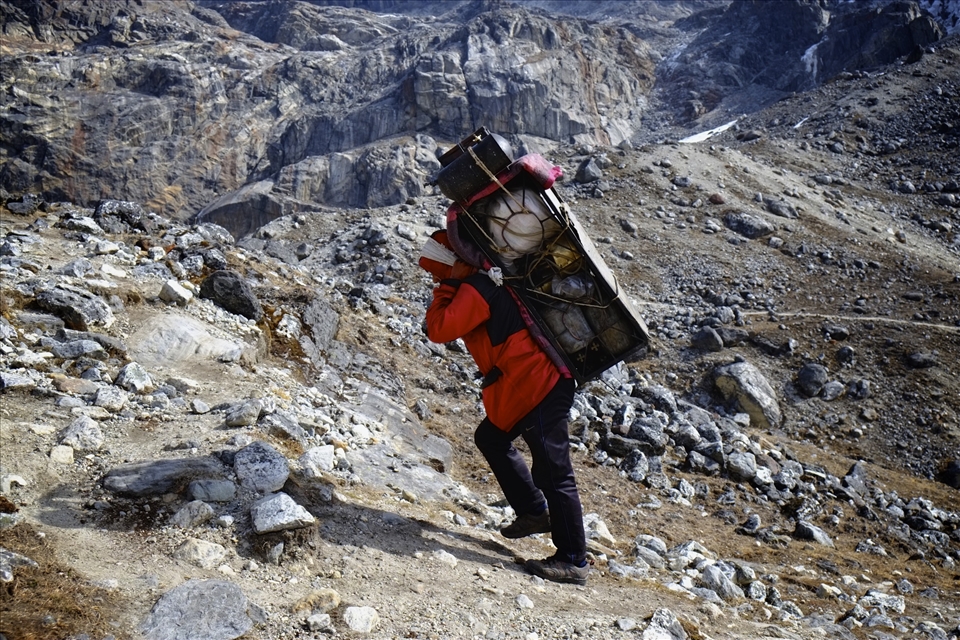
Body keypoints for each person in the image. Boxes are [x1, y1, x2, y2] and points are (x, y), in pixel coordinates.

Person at [419, 229, 589, 585]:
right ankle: (534, 511)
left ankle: (573, 559)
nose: (435, 278)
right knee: (491, 438)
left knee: (554, 472)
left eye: (437, 270)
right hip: (527, 383)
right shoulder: (484, 285)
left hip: (537, 385)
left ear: (453, 264)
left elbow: (438, 329)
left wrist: (446, 287)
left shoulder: (477, 288)